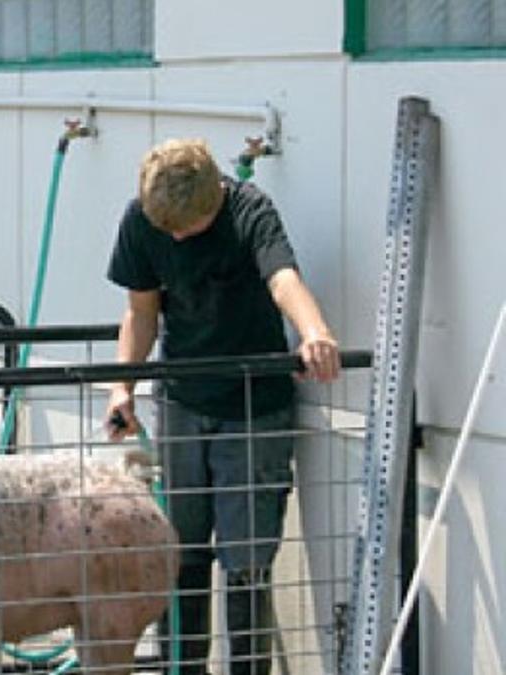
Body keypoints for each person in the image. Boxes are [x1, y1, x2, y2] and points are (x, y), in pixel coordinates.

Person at [103, 139, 341, 675]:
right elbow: (141, 311)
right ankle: (182, 669)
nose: (177, 237)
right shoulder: (143, 219)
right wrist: (124, 386)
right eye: (168, 230)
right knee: (180, 550)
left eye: (188, 228)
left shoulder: (250, 211)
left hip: (253, 407)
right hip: (182, 399)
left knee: (246, 560)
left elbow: (283, 279)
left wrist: (315, 333)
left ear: (215, 199)